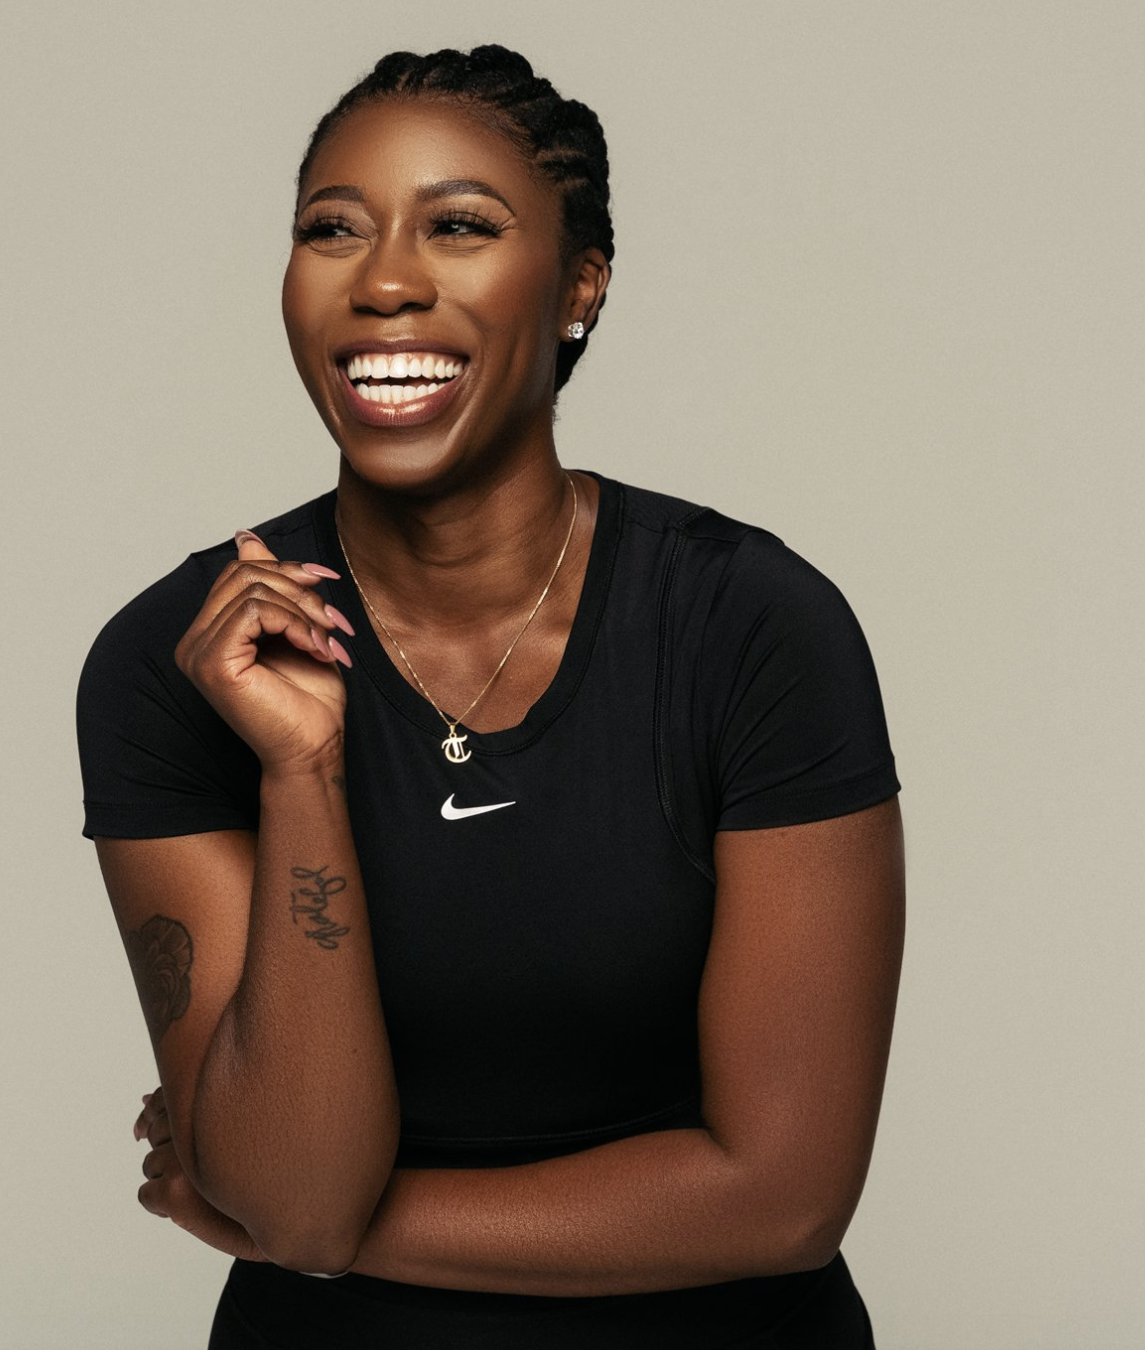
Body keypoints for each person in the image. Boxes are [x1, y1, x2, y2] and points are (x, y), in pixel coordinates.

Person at [76, 44, 904, 1350]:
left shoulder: (750, 627)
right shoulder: (179, 661)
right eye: (331, 229)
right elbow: (294, 1177)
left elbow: (781, 1198)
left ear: (581, 285)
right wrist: (301, 771)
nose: (387, 279)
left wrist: (321, 1231)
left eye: (459, 226)